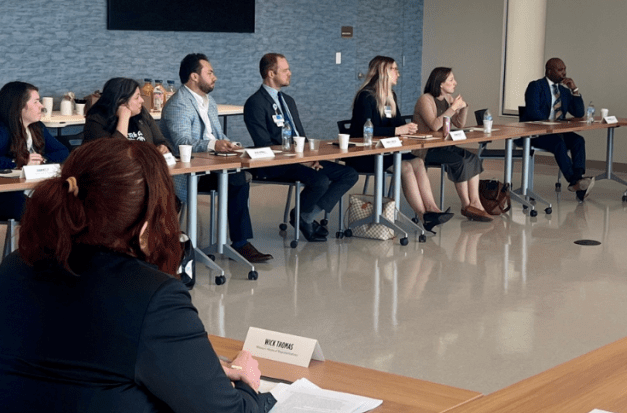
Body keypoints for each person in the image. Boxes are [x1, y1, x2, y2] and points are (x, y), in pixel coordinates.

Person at [0, 139, 276, 413]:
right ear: (146, 222)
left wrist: (196, 366)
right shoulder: (153, 296)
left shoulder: (13, 269)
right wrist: (248, 385)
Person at [160, 53, 273, 263]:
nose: (215, 77)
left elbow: (218, 136)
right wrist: (214, 145)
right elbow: (182, 142)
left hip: (212, 165)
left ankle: (237, 243)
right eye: (210, 72)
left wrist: (233, 146)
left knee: (240, 176)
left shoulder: (208, 101)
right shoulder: (178, 104)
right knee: (237, 179)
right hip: (189, 172)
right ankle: (239, 244)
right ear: (194, 76)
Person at [243, 53, 359, 242]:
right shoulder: (255, 103)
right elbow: (264, 144)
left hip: (300, 159)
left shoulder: (288, 101)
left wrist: (310, 157)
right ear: (271, 73)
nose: (290, 73)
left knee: (349, 174)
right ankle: (304, 217)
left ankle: (306, 215)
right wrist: (301, 161)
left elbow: (301, 136)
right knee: (320, 180)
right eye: (285, 70)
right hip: (275, 163)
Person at [347, 56, 453, 232]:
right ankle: (422, 215)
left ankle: (433, 209)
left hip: (388, 150)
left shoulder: (391, 96)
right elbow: (365, 130)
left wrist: (408, 129)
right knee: (405, 167)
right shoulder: (365, 96)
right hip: (366, 154)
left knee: (418, 162)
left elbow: (396, 124)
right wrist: (397, 131)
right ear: (383, 73)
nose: (398, 73)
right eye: (394, 69)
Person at [0, 81, 70, 220]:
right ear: (19, 106)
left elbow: (63, 152)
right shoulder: (0, 130)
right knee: (49, 209)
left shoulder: (37, 127)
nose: (41, 106)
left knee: (67, 200)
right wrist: (17, 161)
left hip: (25, 190)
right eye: (36, 102)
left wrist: (42, 160)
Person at [414, 67, 492, 222]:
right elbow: (435, 125)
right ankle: (466, 205)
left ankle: (475, 202)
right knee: (459, 161)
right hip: (426, 149)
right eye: (451, 80)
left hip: (443, 145)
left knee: (473, 158)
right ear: (440, 84)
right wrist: (453, 108)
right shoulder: (425, 99)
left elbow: (459, 124)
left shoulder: (448, 99)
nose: (455, 83)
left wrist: (463, 107)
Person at [523, 57, 591, 201]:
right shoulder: (536, 86)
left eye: (565, 69)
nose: (564, 73)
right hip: (539, 133)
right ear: (549, 71)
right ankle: (575, 181)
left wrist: (574, 90)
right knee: (559, 143)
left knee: (578, 141)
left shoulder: (564, 91)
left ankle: (578, 179)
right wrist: (553, 124)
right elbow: (533, 112)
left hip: (558, 131)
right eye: (560, 70)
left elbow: (578, 113)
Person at [83, 77, 172, 154]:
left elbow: (160, 141)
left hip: (145, 169)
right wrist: (124, 118)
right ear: (121, 102)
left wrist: (163, 147)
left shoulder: (142, 113)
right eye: (137, 97)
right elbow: (112, 155)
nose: (142, 100)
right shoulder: (96, 119)